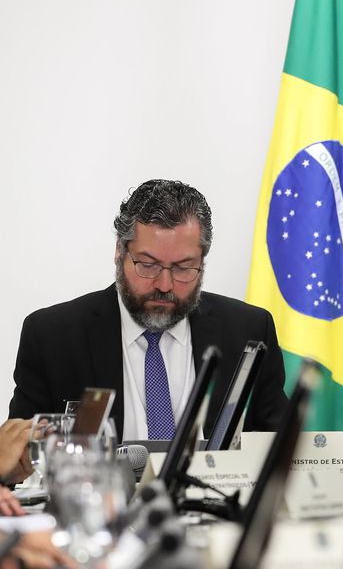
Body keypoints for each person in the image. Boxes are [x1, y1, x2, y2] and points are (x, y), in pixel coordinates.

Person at [8, 180, 288, 440]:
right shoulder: (52, 337)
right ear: (119, 251)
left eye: (183, 268)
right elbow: (22, 460)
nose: (164, 285)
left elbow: (279, 453)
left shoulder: (249, 330)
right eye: (148, 265)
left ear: (202, 262)